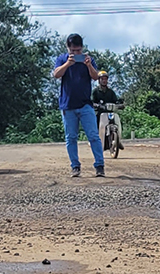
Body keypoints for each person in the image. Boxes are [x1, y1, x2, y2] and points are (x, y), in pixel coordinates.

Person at [51, 33, 105, 177]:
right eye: (73, 51)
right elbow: (56, 74)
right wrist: (68, 63)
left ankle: (99, 165)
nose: (76, 54)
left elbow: (95, 77)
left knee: (93, 135)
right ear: (68, 48)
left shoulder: (89, 60)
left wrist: (88, 65)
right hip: (68, 105)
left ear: (82, 48)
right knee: (71, 137)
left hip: (85, 104)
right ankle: (75, 166)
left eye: (78, 51)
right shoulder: (62, 59)